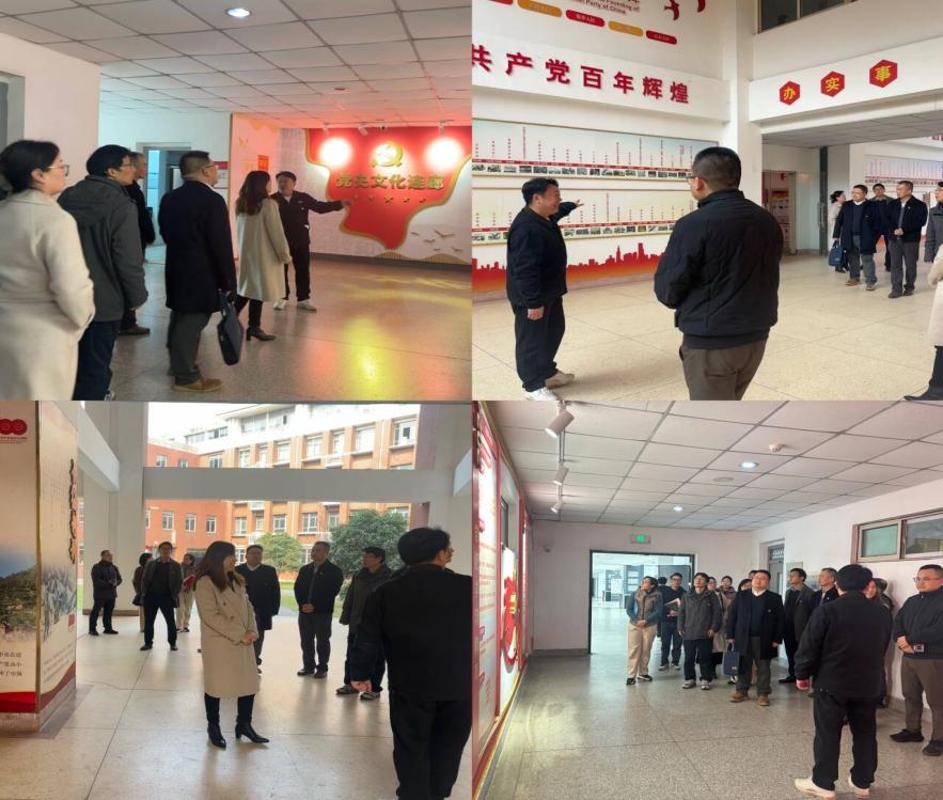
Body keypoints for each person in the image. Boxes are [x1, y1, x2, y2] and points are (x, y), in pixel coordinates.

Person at [348, 527, 470, 800]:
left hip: (409, 685)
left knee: (411, 745)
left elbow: (366, 638)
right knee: (449, 745)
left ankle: (414, 794)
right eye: (448, 548)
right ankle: (438, 793)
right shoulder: (468, 587)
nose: (451, 552)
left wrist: (360, 673)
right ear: (440, 554)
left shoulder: (385, 592)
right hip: (458, 684)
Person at [654, 146, 782, 400]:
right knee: (730, 406)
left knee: (711, 417)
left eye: (691, 177)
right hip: (756, 338)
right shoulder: (766, 219)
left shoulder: (693, 224)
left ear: (699, 181)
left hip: (712, 343)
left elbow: (668, 291)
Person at [0, 140, 94, 399]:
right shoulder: (55, 220)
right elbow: (71, 287)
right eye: (60, 166)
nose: (64, 172)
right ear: (38, 175)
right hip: (42, 335)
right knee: (39, 412)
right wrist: (82, 319)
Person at [793, 564, 893, 799]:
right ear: (868, 585)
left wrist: (801, 674)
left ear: (837, 584)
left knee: (827, 733)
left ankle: (823, 783)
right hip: (868, 683)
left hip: (832, 682)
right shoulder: (882, 613)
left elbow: (809, 646)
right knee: (865, 733)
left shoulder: (827, 610)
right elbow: (882, 646)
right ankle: (862, 782)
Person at [58, 145, 146, 400]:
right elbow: (127, 259)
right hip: (104, 300)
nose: (134, 170)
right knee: (96, 365)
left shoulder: (66, 197)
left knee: (70, 363)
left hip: (65, 295)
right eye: (129, 165)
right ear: (111, 171)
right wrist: (137, 297)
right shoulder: (121, 205)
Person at [158, 151, 235, 393]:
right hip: (202, 271)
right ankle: (186, 377)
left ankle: (178, 365)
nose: (216, 171)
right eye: (214, 167)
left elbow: (165, 233)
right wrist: (228, 280)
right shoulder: (212, 200)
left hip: (176, 266)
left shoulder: (170, 198)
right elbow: (220, 244)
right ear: (205, 170)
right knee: (192, 322)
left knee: (180, 316)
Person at [506, 177, 581, 401]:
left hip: (550, 291)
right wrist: (533, 302)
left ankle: (547, 372)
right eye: (555, 196)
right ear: (537, 198)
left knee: (553, 331)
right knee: (531, 341)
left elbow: (557, 212)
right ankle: (533, 386)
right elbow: (524, 269)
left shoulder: (544, 216)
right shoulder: (526, 228)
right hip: (532, 297)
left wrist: (570, 206)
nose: (559, 199)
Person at [193, 541, 267, 749]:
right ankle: (213, 727)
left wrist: (252, 630)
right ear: (219, 558)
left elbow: (248, 607)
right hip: (220, 643)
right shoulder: (205, 583)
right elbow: (210, 616)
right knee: (216, 687)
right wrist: (240, 634)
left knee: (248, 684)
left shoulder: (237, 579)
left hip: (244, 640)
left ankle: (244, 725)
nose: (235, 559)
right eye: (231, 555)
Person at [270, 170, 349, 312]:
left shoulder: (303, 197)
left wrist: (339, 204)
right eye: (280, 181)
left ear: (294, 183)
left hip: (301, 240)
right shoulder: (272, 200)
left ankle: (303, 299)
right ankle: (282, 297)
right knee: (280, 271)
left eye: (286, 181)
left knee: (303, 270)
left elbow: (320, 207)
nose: (282, 184)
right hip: (280, 241)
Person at [889, 563, 943, 757]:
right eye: (918, 579)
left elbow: (938, 630)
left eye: (926, 579)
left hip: (933, 658)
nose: (920, 582)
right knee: (910, 694)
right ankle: (913, 730)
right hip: (909, 656)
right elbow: (898, 622)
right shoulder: (912, 601)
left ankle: (939, 740)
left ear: (941, 580)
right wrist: (900, 640)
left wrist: (910, 639)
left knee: (937, 701)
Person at [234, 170, 290, 342]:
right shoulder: (268, 204)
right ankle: (248, 325)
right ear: (262, 184)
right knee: (256, 290)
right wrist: (285, 255)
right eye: (268, 181)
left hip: (248, 253)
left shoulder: (241, 203)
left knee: (250, 288)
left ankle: (249, 325)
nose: (271, 184)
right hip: (265, 256)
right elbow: (277, 233)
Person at [336, 546, 394, 700]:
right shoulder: (359, 576)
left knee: (377, 658)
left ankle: (373, 688)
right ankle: (351, 684)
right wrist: (345, 616)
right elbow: (350, 597)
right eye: (364, 556)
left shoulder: (390, 577)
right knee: (352, 655)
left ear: (379, 558)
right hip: (357, 623)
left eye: (368, 556)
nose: (364, 559)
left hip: (378, 626)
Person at [906, 184, 943, 402]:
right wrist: (930, 253)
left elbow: (937, 270)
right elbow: (931, 234)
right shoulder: (935, 211)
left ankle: (937, 389)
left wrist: (934, 275)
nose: (936, 193)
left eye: (940, 190)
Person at [727, 569, 784, 706]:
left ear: (768, 582)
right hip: (742, 637)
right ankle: (741, 691)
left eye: (763, 578)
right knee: (743, 665)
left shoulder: (774, 598)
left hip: (765, 639)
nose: (758, 580)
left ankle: (763, 694)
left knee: (764, 667)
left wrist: (777, 639)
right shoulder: (741, 595)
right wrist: (730, 634)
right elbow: (732, 616)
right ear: (752, 580)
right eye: (756, 577)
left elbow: (781, 620)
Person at [293, 541, 344, 677]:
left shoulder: (334, 571)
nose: (314, 553)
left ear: (326, 553)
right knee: (306, 641)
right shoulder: (305, 569)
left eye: (318, 550)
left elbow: (332, 591)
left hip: (322, 612)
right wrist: (302, 604)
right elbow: (297, 588)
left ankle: (322, 668)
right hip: (304, 612)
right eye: (313, 550)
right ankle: (308, 666)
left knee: (322, 641)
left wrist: (314, 605)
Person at [119, 151, 155, 336]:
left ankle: (127, 320)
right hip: (131, 243)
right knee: (128, 279)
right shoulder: (129, 190)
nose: (146, 168)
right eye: (144, 165)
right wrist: (149, 234)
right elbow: (139, 218)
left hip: (135, 241)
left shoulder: (132, 189)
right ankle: (127, 322)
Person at [235, 544, 281, 669]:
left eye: (258, 553)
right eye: (253, 553)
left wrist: (273, 610)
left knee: (258, 637)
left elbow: (275, 591)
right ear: (246, 556)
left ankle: (254, 663)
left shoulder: (269, 571)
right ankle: (241, 663)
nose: (256, 555)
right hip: (241, 611)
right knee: (240, 636)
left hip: (262, 611)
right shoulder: (237, 571)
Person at [832, 184, 883, 291]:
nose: (854, 195)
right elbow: (839, 221)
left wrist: (873, 238)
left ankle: (870, 281)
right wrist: (836, 235)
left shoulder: (872, 205)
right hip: (849, 237)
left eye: (857, 193)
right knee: (852, 259)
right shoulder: (847, 205)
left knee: (867, 259)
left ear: (864, 194)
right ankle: (854, 278)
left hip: (865, 237)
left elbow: (878, 223)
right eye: (853, 192)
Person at [678, 572, 722, 690]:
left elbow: (717, 613)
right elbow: (681, 612)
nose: (698, 581)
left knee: (705, 658)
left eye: (702, 579)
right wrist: (680, 627)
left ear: (706, 582)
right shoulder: (686, 596)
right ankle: (690, 679)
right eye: (696, 579)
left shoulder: (711, 596)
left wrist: (714, 628)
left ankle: (705, 679)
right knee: (689, 658)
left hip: (705, 632)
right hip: (689, 631)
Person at [885, 180, 928, 299]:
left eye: (900, 189)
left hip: (910, 240)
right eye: (897, 189)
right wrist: (894, 229)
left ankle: (909, 287)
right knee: (895, 265)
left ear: (909, 190)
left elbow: (921, 221)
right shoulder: (892, 204)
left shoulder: (920, 205)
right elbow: (887, 219)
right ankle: (896, 289)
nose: (897, 191)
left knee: (910, 265)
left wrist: (904, 229)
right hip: (894, 239)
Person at [139, 540, 182, 652]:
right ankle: (148, 643)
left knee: (170, 622)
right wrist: (144, 593)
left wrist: (174, 594)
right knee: (149, 621)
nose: (165, 551)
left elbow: (179, 582)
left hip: (167, 598)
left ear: (171, 551)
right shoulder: (151, 564)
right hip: (151, 597)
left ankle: (172, 643)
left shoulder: (176, 565)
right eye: (163, 549)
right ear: (159, 550)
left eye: (168, 549)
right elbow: (144, 579)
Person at [781, 567, 816, 684]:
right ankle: (792, 674)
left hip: (801, 629)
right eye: (790, 575)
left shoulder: (809, 593)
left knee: (801, 654)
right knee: (790, 652)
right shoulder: (789, 592)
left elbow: (812, 613)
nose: (790, 577)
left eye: (793, 575)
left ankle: (802, 676)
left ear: (802, 578)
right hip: (788, 629)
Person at [625, 576, 663, 686]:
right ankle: (631, 675)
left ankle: (643, 673)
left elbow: (658, 611)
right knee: (634, 649)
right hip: (635, 625)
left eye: (646, 582)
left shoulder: (658, 595)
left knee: (646, 649)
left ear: (652, 585)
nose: (643, 583)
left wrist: (646, 620)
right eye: (643, 581)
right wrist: (636, 620)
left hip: (649, 625)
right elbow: (629, 609)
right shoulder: (635, 593)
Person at [89, 549, 122, 636]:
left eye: (111, 555)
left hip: (112, 594)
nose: (110, 556)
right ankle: (92, 629)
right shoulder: (96, 567)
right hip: (100, 594)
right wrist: (109, 583)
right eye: (108, 555)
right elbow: (96, 581)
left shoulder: (114, 567)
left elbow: (119, 579)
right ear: (102, 556)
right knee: (96, 611)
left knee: (108, 612)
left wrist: (116, 583)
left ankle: (108, 628)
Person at [657, 572, 685, 671]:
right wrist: (669, 611)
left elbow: (686, 607)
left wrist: (679, 612)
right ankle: (664, 662)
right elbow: (659, 605)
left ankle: (675, 662)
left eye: (678, 580)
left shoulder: (684, 593)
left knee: (677, 644)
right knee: (665, 643)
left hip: (679, 622)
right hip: (665, 621)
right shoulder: (663, 591)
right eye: (674, 579)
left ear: (681, 581)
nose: (676, 581)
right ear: (670, 580)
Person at [871, 183, 892, 272]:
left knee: (890, 247)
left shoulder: (891, 201)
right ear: (874, 191)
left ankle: (889, 265)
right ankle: (866, 263)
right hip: (874, 228)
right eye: (876, 189)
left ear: (884, 190)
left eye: (880, 189)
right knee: (869, 246)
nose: (878, 191)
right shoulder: (870, 202)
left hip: (888, 228)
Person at [176, 552, 197, 633]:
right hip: (180, 590)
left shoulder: (195, 569)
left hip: (190, 591)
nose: (184, 560)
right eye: (184, 558)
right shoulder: (178, 567)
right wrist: (180, 585)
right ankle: (178, 626)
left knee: (188, 609)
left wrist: (190, 584)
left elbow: (197, 579)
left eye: (187, 559)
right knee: (180, 608)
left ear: (191, 560)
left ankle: (185, 626)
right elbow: (175, 577)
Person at [132, 552, 152, 632]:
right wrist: (139, 592)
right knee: (143, 611)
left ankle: (149, 626)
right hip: (143, 593)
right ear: (146, 559)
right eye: (150, 558)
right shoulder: (139, 569)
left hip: (152, 593)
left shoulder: (153, 569)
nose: (152, 559)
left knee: (150, 612)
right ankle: (143, 627)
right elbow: (135, 582)